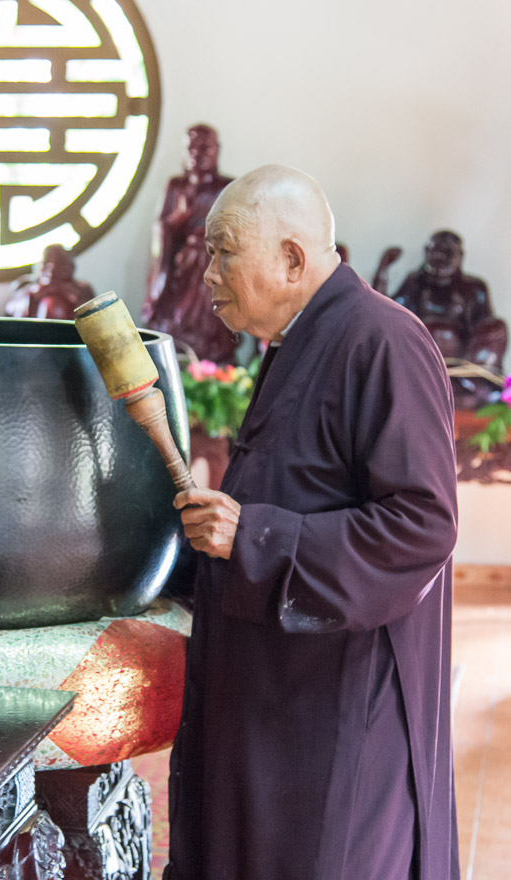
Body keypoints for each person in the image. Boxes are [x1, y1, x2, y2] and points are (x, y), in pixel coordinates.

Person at [165, 166, 459, 880]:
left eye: (223, 251)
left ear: (292, 259)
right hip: (272, 702)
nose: (206, 274)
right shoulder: (298, 342)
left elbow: (423, 526)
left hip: (336, 712)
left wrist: (256, 538)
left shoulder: (381, 340)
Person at [141, 124, 236, 363]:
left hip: (213, 268)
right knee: (176, 322)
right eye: (192, 148)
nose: (198, 154)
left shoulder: (226, 187)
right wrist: (177, 220)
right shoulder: (176, 186)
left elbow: (238, 229)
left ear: (216, 151)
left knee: (213, 319)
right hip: (181, 271)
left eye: (205, 148)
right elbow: (160, 231)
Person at [380, 230, 507, 406]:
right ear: (427, 252)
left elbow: (484, 327)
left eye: (448, 253)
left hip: (463, 361)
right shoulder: (415, 282)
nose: (441, 258)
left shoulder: (474, 287)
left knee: (497, 327)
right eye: (436, 252)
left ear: (460, 255)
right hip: (420, 356)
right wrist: (383, 270)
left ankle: (467, 382)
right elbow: (387, 312)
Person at [3, 244, 95, 319]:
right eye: (47, 262)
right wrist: (33, 296)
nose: (52, 268)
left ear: (71, 267)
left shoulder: (82, 289)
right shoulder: (25, 285)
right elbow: (10, 315)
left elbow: (93, 319)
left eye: (60, 263)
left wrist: (73, 297)